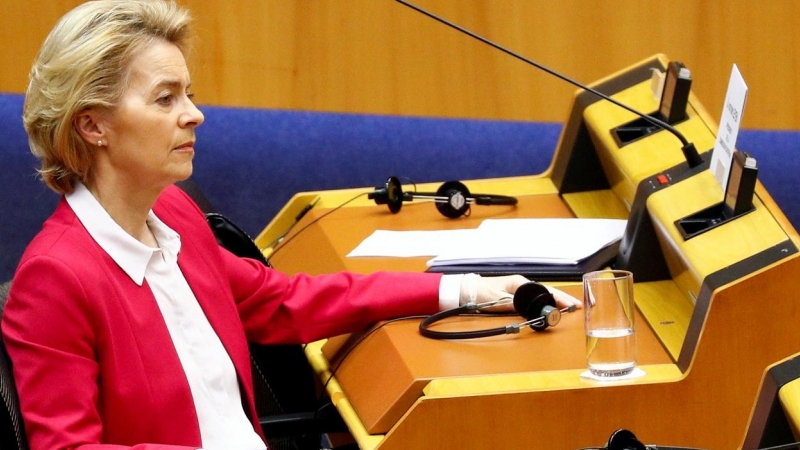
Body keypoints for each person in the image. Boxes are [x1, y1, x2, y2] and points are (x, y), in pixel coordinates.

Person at [1, 1, 582, 449]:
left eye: (190, 93)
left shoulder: (173, 214)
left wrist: (471, 289)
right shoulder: (57, 278)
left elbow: (282, 302)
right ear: (92, 126)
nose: (194, 114)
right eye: (164, 98)